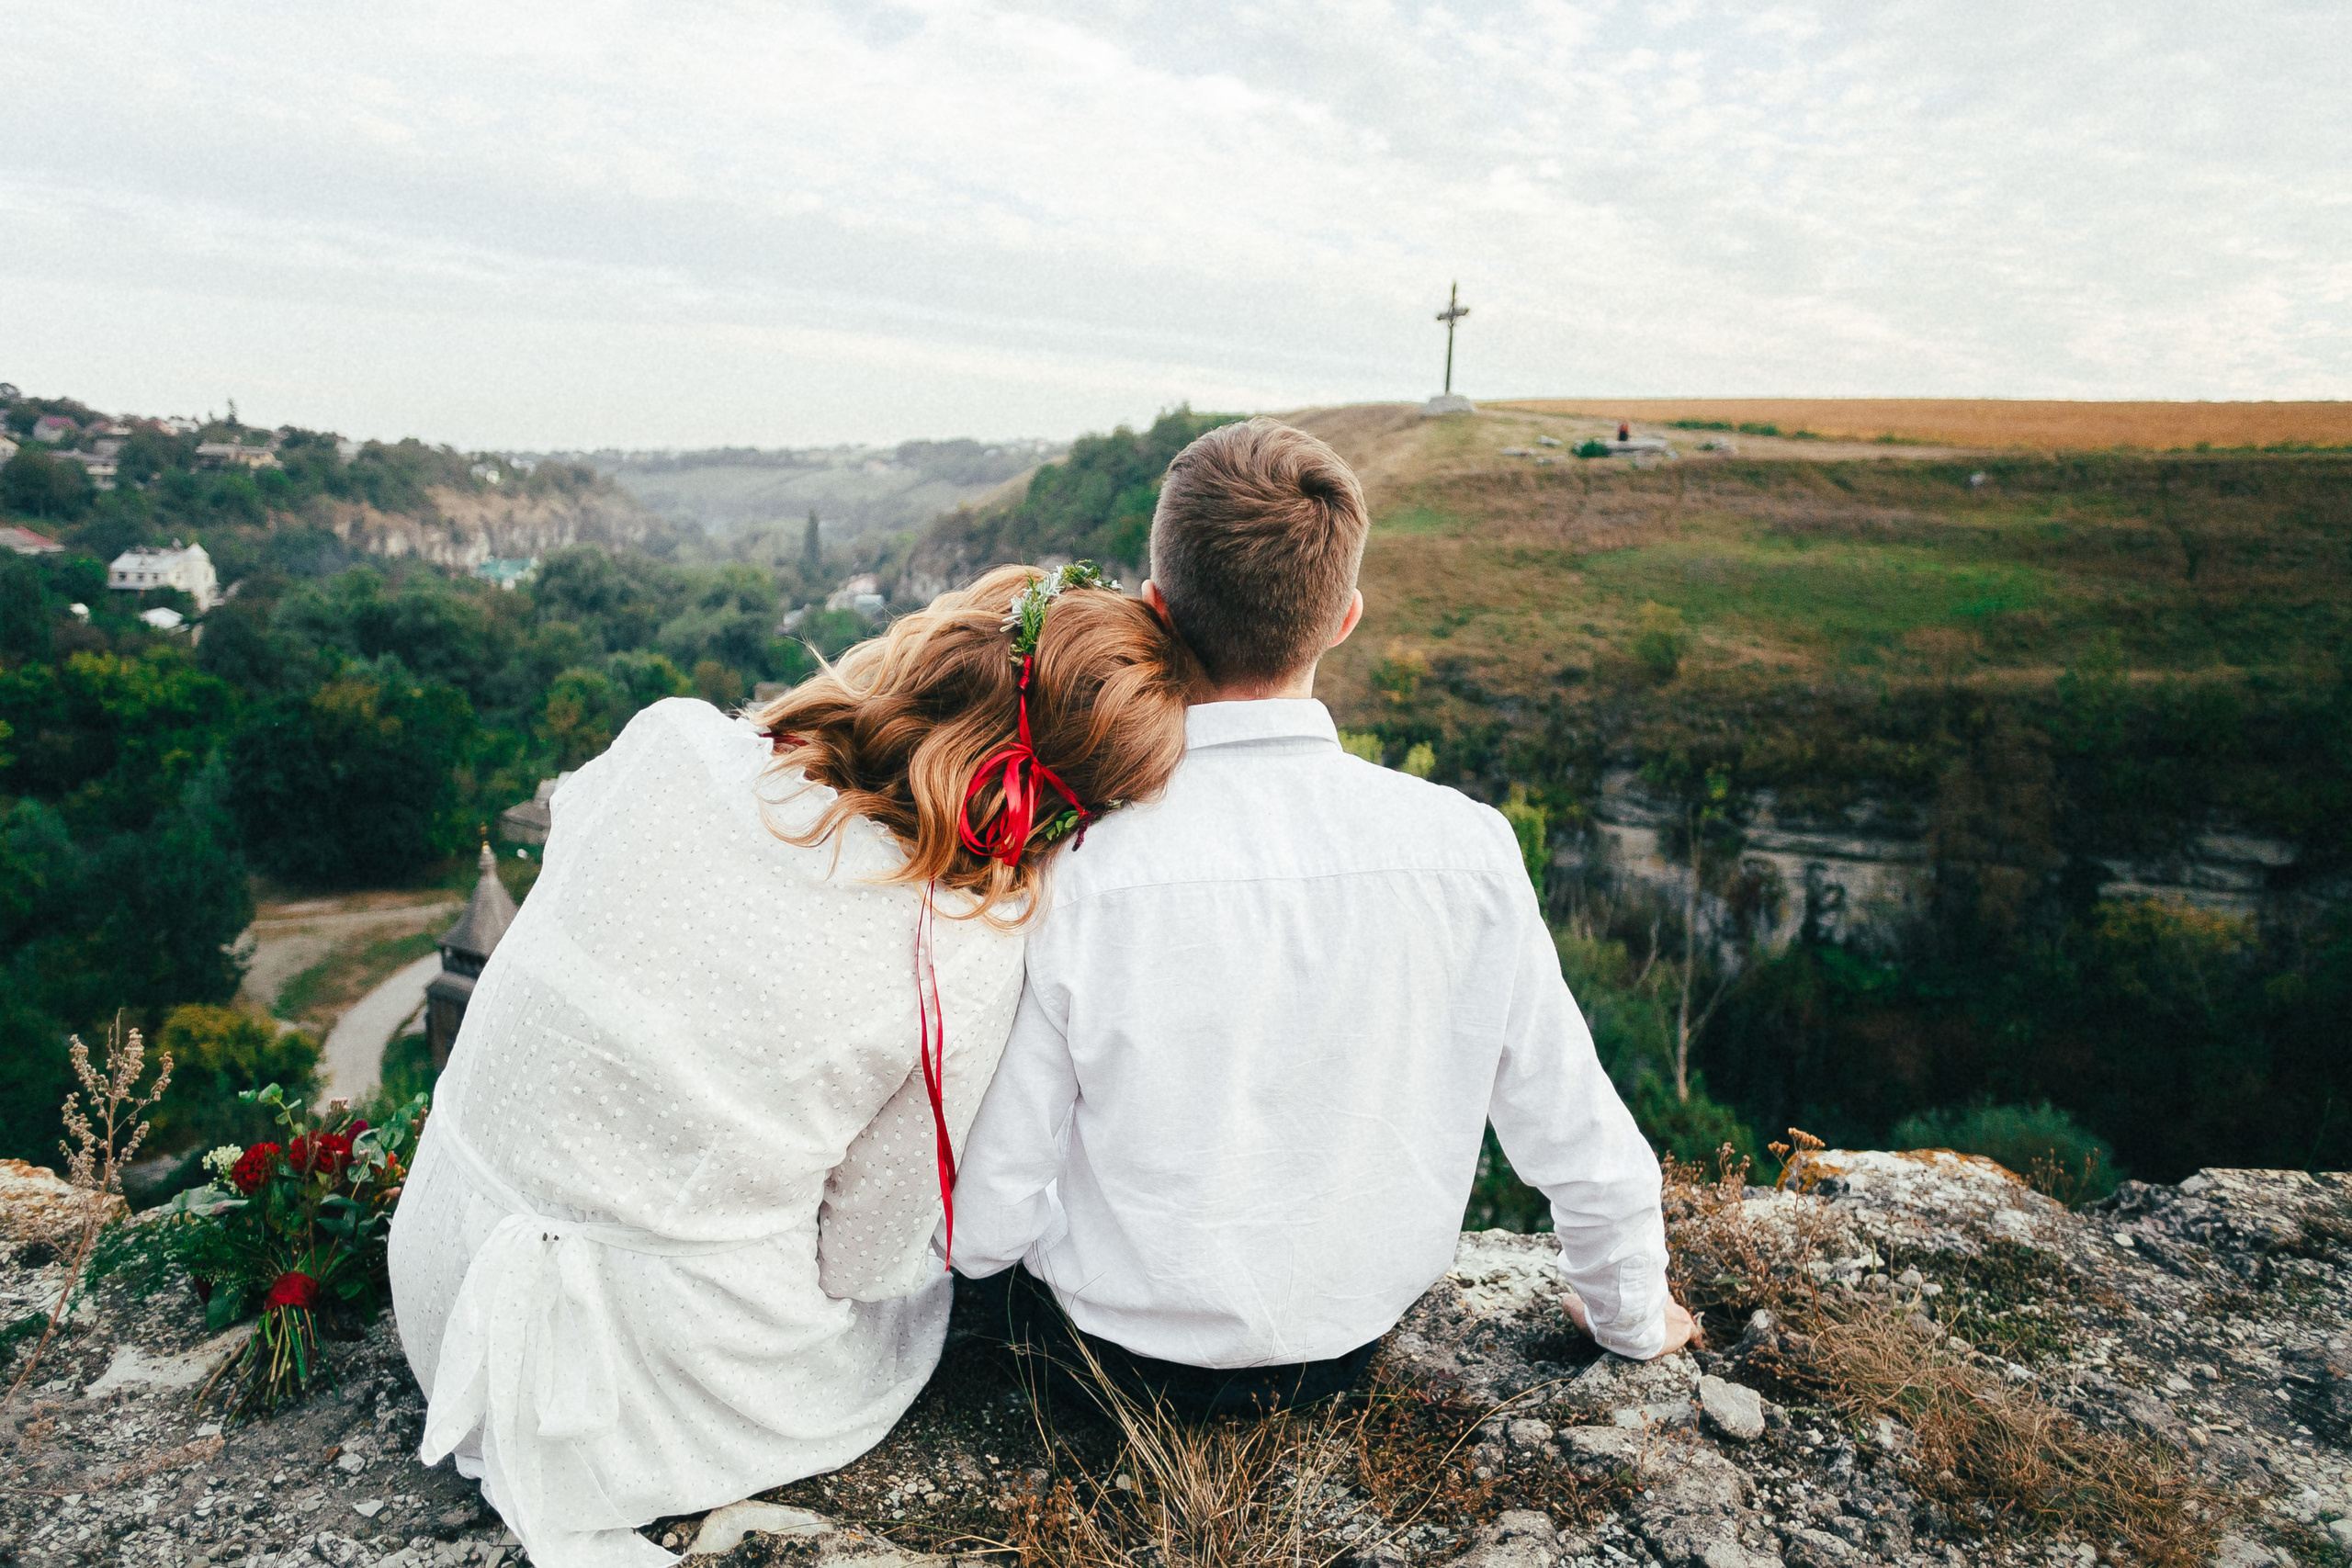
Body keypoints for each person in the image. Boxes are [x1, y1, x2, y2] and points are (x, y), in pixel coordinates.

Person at [388, 564, 1196, 1567]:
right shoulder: (959, 949)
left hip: (441, 1273)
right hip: (646, 1387)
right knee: (914, 1310)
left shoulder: (672, 741)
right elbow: (866, 1254)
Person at [950, 419, 1697, 1417]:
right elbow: (1576, 1136)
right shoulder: (1465, 847)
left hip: (1114, 1363)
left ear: (1157, 611)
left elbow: (992, 1213)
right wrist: (1633, 1320)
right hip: (1353, 1344)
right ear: (1342, 619)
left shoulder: (1084, 863)